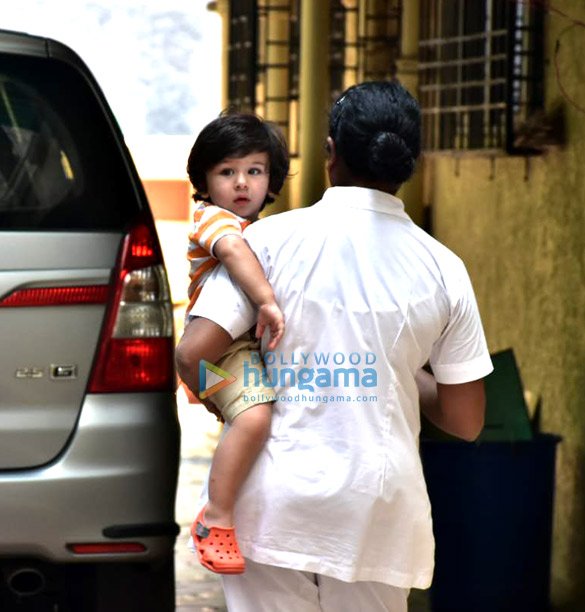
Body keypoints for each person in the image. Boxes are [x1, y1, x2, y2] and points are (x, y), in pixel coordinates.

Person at [176, 80, 493, 611]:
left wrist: (225, 399)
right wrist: (398, 371)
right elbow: (466, 420)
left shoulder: (265, 243)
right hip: (379, 517)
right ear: (409, 162)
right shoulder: (445, 268)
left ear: (329, 153)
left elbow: (192, 354)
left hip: (269, 508)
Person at [182, 112, 289, 574]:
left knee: (250, 419)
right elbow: (232, 251)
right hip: (222, 353)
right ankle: (216, 519)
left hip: (230, 356)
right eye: (227, 172)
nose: (242, 183)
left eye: (255, 171)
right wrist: (265, 299)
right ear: (205, 180)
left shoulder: (259, 227)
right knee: (254, 419)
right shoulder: (213, 219)